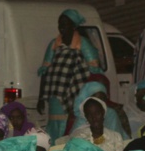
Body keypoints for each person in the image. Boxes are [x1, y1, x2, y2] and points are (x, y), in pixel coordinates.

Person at [37, 9, 101, 140]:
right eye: (60, 24)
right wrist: (41, 98)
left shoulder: (84, 44)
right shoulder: (53, 45)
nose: (61, 28)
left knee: (71, 126)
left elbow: (93, 72)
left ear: (73, 26)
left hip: (77, 95)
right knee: (55, 127)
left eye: (65, 24)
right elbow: (45, 71)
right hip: (55, 96)